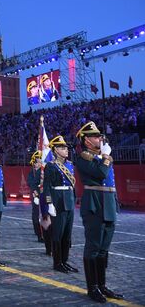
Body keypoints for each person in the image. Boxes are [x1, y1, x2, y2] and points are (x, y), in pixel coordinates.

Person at [74, 121, 124, 302]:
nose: (100, 138)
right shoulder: (83, 158)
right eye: (96, 136)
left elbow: (111, 181)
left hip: (109, 204)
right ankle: (92, 288)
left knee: (104, 249)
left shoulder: (102, 156)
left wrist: (105, 156)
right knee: (93, 248)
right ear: (87, 140)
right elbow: (101, 174)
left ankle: (102, 285)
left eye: (100, 136)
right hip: (95, 205)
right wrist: (106, 157)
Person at [43, 135, 78, 274]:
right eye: (63, 148)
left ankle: (65, 261)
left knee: (67, 234)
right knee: (58, 233)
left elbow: (72, 185)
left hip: (69, 201)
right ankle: (57, 263)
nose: (66, 150)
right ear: (56, 150)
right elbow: (46, 187)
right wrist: (49, 203)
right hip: (58, 201)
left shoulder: (69, 165)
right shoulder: (51, 166)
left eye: (66, 148)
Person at [27, 151, 44, 243]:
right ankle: (38, 232)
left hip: (43, 194)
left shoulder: (43, 171)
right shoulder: (32, 172)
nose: (39, 164)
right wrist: (36, 195)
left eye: (40, 162)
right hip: (35, 194)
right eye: (37, 162)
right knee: (36, 213)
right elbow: (30, 183)